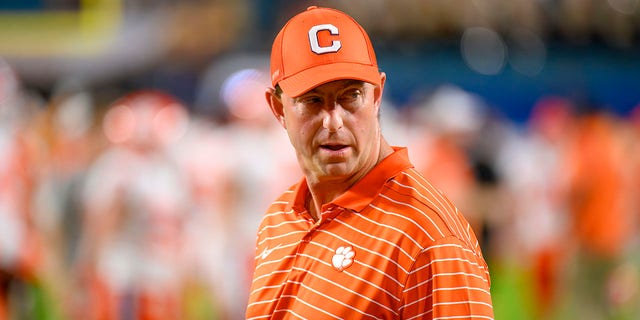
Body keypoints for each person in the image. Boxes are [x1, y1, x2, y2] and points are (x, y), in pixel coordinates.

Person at [245, 6, 494, 319]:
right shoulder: (279, 218)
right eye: (312, 99)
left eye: (351, 95)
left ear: (377, 95)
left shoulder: (428, 238)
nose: (334, 121)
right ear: (278, 108)